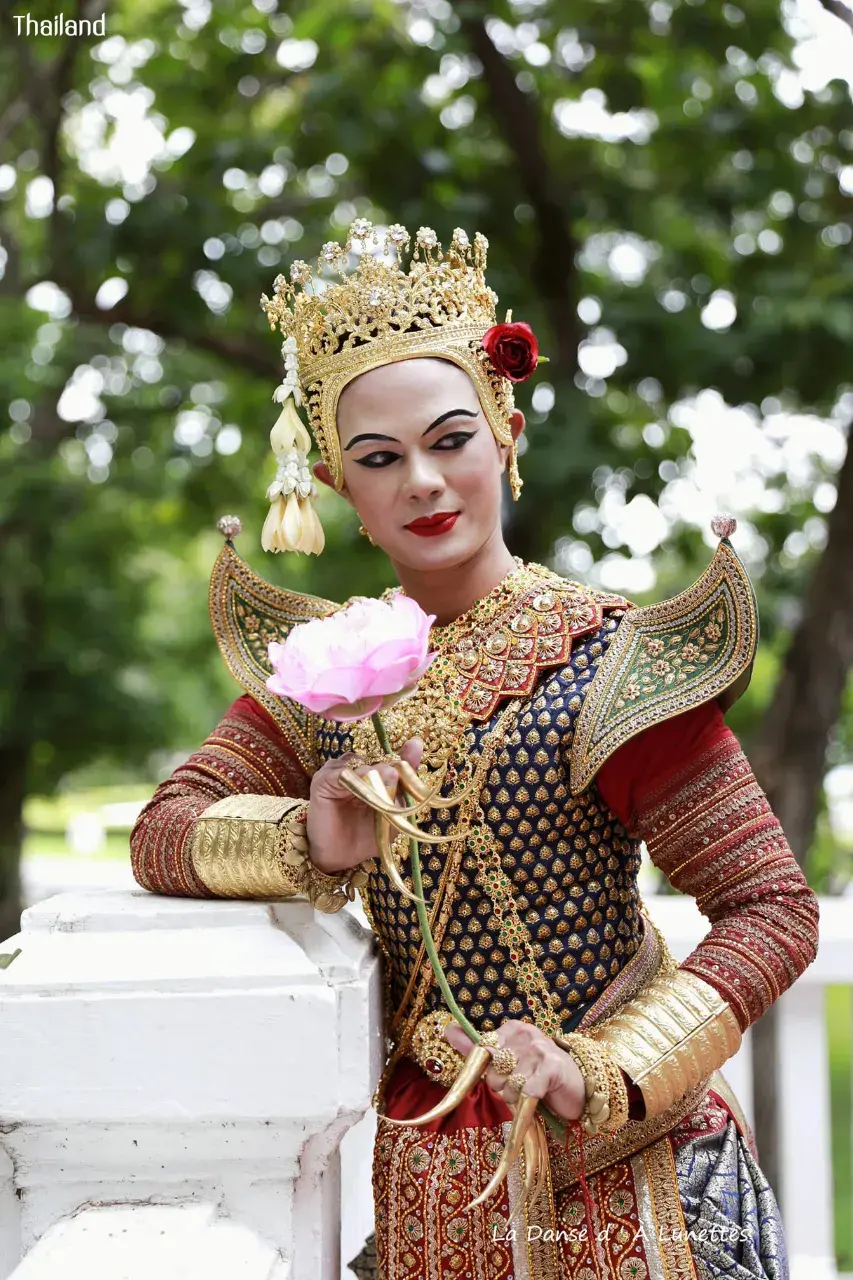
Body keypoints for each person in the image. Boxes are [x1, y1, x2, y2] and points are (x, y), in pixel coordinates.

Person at [130, 220, 818, 1280]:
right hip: (432, 1188)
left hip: (630, 1172)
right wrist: (307, 839)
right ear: (334, 486)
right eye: (378, 458)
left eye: (449, 438)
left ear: (505, 428)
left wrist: (607, 1066)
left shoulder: (606, 664)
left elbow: (771, 908)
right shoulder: (326, 678)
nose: (422, 480)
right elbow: (163, 834)